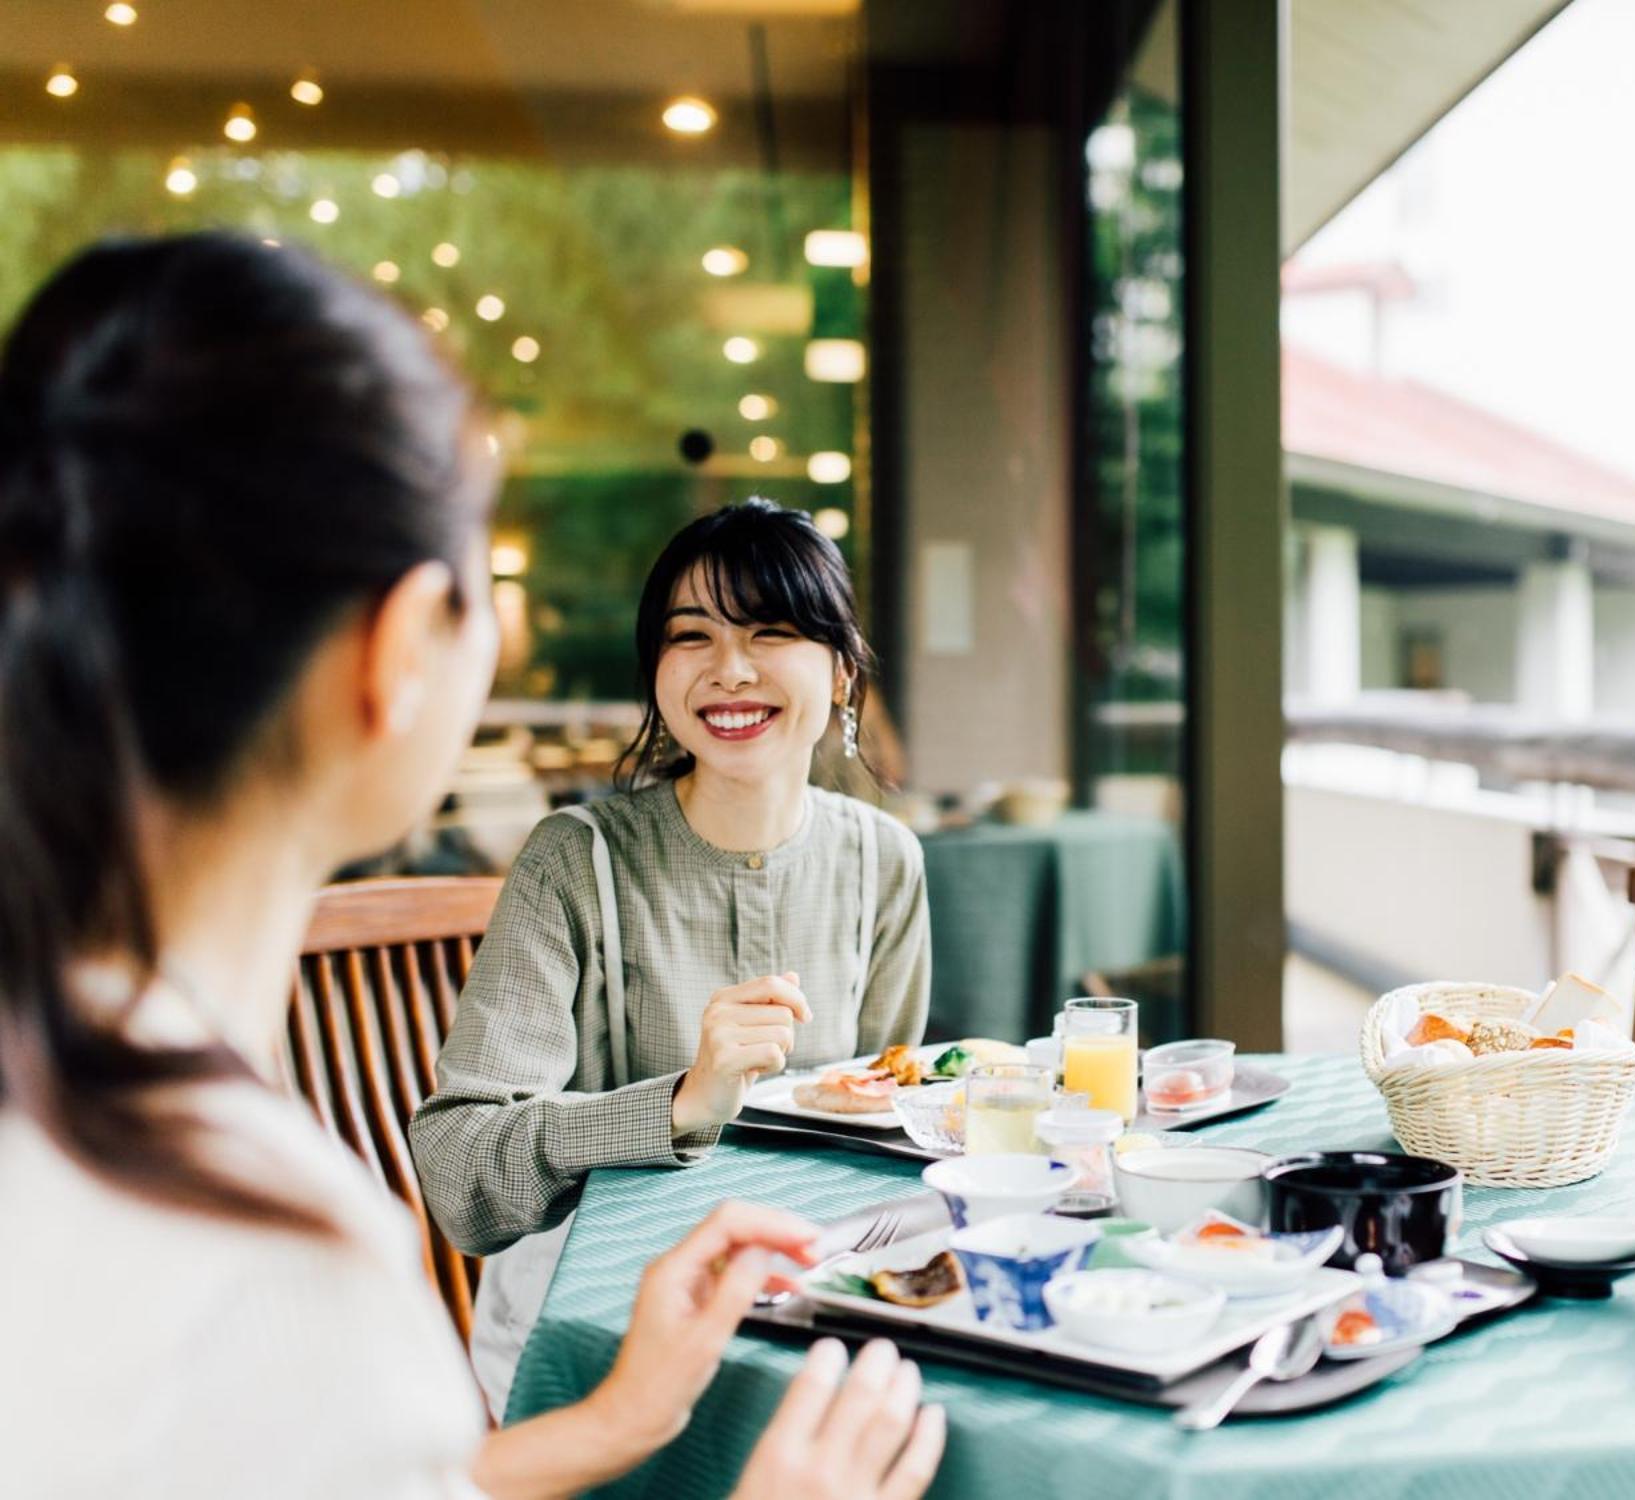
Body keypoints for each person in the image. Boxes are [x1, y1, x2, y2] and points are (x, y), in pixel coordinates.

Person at [0, 232, 943, 1500]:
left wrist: (613, 1420)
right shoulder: (273, 1260)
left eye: (773, 635)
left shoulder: (88, 1119)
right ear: (400, 651)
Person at [412, 497, 932, 1416]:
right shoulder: (575, 861)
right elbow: (461, 1173)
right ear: (656, 672)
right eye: (691, 636)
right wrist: (678, 1103)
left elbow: (888, 1120)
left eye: (771, 631)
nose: (729, 670)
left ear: (842, 673)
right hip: (601, 1331)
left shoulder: (884, 860)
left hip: (816, 1303)